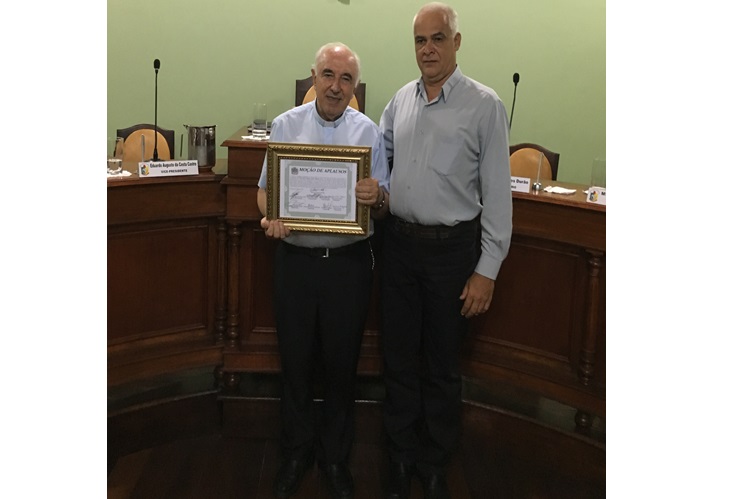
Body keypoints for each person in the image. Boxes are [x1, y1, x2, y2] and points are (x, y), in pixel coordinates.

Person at [378, 3, 512, 499]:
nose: (428, 49)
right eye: (420, 40)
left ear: (456, 42)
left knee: (441, 365)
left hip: (451, 254)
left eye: (438, 38)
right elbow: (377, 165)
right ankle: (399, 458)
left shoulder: (484, 105)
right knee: (398, 360)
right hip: (398, 248)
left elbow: (497, 195)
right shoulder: (400, 101)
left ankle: (434, 463)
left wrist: (487, 270)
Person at [256, 42, 390, 499]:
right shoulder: (285, 125)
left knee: (341, 366)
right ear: (313, 77)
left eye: (346, 78)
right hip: (295, 264)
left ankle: (334, 458)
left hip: (348, 268)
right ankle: (295, 453)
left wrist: (377, 197)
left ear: (355, 86)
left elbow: (384, 203)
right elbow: (264, 192)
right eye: (328, 75)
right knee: (294, 364)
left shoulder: (369, 133)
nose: (336, 86)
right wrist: (271, 216)